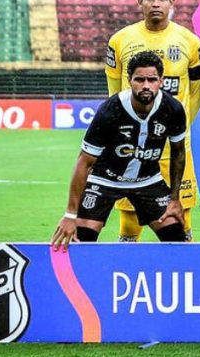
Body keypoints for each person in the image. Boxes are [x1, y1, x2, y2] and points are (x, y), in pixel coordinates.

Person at [51, 51, 188, 249]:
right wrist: (70, 215)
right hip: (105, 179)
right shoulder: (110, 110)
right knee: (81, 239)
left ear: (161, 81)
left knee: (177, 238)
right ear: (129, 80)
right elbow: (84, 162)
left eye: (152, 79)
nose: (146, 85)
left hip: (148, 180)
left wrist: (174, 199)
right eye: (139, 79)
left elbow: (178, 153)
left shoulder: (173, 109)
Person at [106, 0, 200, 241]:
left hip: (174, 150)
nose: (156, 3)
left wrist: (178, 127)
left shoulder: (190, 42)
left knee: (181, 218)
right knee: (129, 223)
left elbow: (196, 93)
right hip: (132, 148)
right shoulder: (119, 40)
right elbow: (114, 93)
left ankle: (183, 264)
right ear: (140, 1)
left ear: (172, 2)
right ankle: (127, 264)